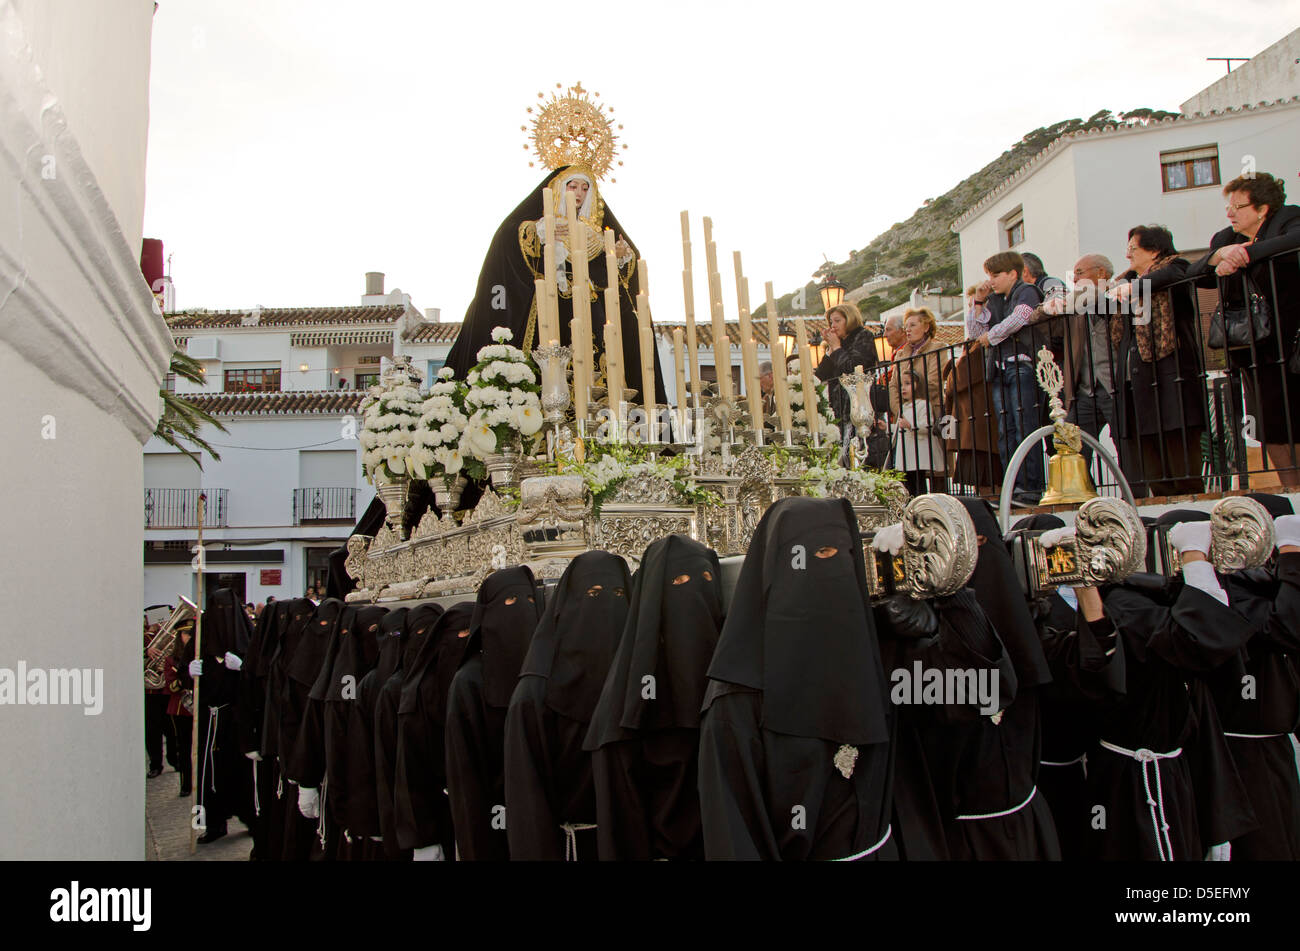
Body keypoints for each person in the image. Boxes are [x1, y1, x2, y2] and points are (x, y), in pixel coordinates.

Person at [698, 497, 894, 860]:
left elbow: (978, 703)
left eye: (845, 553)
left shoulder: (871, 659)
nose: (837, 565)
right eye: (819, 553)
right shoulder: (737, 703)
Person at [1067, 511, 1260, 859]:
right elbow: (1201, 637)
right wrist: (1194, 559)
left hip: (1165, 772)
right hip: (1137, 779)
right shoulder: (1128, 607)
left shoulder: (1147, 600)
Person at [444, 165, 666, 405]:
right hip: (549, 312)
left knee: (599, 368)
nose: (579, 193)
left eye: (585, 188)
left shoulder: (596, 235)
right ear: (559, 188)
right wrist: (538, 232)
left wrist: (620, 257)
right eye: (573, 186)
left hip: (591, 314)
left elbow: (612, 282)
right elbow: (507, 243)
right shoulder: (540, 226)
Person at [584, 535, 725, 860]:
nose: (695, 594)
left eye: (706, 580)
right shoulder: (624, 706)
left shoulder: (732, 689)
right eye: (679, 581)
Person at [504, 551, 632, 861]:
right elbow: (527, 807)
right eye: (593, 594)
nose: (607, 607)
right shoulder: (534, 694)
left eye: (618, 594)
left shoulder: (636, 683)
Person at [1191, 172, 1300, 487]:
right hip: (1255, 347)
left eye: (1238, 206)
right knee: (1272, 425)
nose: (1230, 213)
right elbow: (1198, 273)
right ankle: (1291, 490)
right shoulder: (1226, 238)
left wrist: (1248, 254)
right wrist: (1221, 255)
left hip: (1291, 340)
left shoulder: (1288, 218)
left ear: (1263, 209)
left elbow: (1295, 240)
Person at [446, 567, 546, 861]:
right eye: (510, 603)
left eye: (530, 602)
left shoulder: (542, 671)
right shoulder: (468, 682)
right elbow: (465, 778)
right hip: (492, 825)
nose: (522, 613)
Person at [1109, 225, 1206, 496]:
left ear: (1153, 251)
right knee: (1148, 447)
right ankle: (1162, 503)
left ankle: (1190, 502)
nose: (1127, 255)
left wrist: (1132, 287)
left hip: (1169, 370)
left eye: (1133, 249)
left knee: (1178, 444)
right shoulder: (1123, 284)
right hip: (1136, 375)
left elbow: (1173, 274)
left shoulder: (1175, 268)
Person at [395, 602, 476, 861]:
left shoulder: (480, 680)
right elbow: (410, 768)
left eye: (469, 634)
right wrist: (422, 837)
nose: (462, 640)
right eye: (458, 634)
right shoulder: (420, 692)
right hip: (438, 812)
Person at [967, 252, 1046, 505]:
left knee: (1025, 425)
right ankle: (1014, 486)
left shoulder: (1027, 292)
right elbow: (976, 331)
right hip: (1000, 368)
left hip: (1021, 364)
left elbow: (1020, 318)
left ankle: (1031, 487)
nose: (991, 280)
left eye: (996, 275)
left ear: (1012, 273)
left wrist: (993, 336)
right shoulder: (994, 299)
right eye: (989, 275)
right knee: (1006, 430)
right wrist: (978, 301)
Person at [1041, 254, 1118, 471]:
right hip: (1084, 389)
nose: (1074, 280)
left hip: (1115, 385)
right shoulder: (1074, 306)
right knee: (1072, 447)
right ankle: (1085, 494)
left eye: (1079, 273)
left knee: (1125, 443)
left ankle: (1131, 496)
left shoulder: (1119, 297)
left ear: (1101, 273)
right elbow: (1040, 323)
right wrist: (1049, 307)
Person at [814, 301, 879, 433]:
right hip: (838, 407)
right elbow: (821, 375)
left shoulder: (863, 336)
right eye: (831, 322)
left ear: (849, 319)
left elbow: (853, 368)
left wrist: (837, 348)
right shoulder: (837, 343)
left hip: (859, 405)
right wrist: (831, 350)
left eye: (837, 321)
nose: (833, 326)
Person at [892, 370, 943, 497]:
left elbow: (927, 425)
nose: (903, 388)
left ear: (917, 386)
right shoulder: (904, 407)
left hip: (917, 452)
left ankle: (921, 502)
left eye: (908, 384)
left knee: (918, 480)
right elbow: (899, 428)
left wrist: (911, 426)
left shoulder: (923, 404)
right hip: (907, 452)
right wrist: (887, 427)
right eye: (902, 385)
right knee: (908, 481)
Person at [164, 622, 195, 797]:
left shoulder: (200, 656)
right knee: (184, 748)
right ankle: (185, 784)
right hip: (180, 708)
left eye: (191, 634)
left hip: (200, 706)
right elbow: (172, 687)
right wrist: (185, 676)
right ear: (179, 636)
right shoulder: (171, 660)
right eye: (185, 634)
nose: (188, 637)